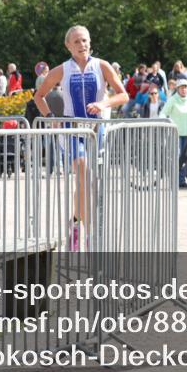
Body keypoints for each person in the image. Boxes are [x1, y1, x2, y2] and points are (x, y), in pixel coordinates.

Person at [33, 25, 129, 250]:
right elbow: (39, 96)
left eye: (84, 40)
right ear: (68, 46)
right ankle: (91, 234)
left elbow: (123, 95)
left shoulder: (102, 66)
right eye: (76, 41)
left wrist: (103, 103)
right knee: (85, 173)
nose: (81, 45)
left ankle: (75, 223)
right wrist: (51, 117)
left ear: (90, 42)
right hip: (72, 129)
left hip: (96, 129)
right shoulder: (62, 70)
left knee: (87, 182)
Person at [160, 79, 187, 188]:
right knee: (177, 157)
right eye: (182, 87)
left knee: (185, 158)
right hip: (175, 133)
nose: (184, 89)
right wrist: (166, 122)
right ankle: (176, 180)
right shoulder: (172, 100)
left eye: (185, 87)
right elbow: (163, 113)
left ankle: (181, 181)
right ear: (178, 89)